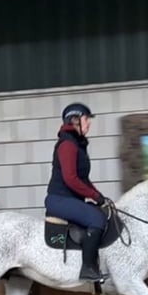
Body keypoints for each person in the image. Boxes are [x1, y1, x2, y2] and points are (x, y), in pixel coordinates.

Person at [45, 102, 111, 283]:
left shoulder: (77, 145)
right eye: (86, 119)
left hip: (70, 198)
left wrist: (100, 197)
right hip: (60, 199)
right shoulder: (67, 145)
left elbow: (83, 179)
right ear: (74, 120)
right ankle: (88, 268)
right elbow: (70, 179)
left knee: (100, 213)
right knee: (96, 219)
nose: (89, 123)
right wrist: (95, 196)